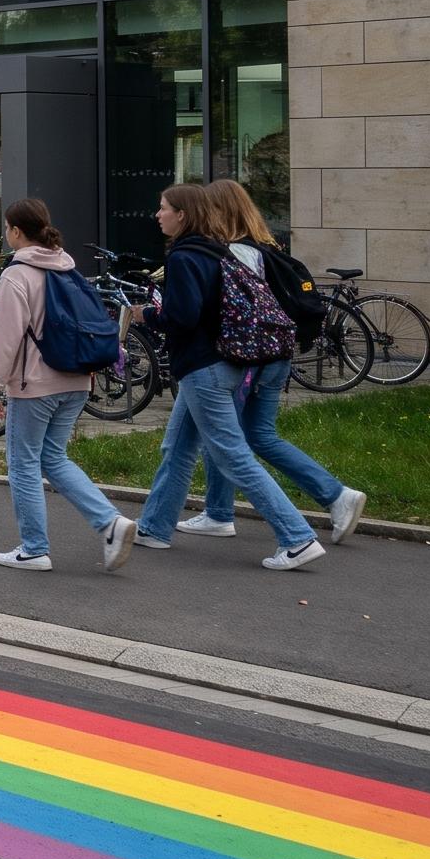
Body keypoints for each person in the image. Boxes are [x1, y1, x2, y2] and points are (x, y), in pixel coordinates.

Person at [132, 184, 325, 570]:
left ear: (182, 214)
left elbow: (182, 317)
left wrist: (146, 316)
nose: (158, 214)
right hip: (224, 363)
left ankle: (298, 537)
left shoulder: (185, 257)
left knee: (233, 455)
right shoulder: (219, 251)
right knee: (178, 447)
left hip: (205, 369)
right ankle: (154, 528)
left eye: (163, 207)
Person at [186, 180, 368, 546]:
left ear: (218, 211)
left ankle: (224, 514)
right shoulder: (267, 247)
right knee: (257, 436)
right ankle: (335, 496)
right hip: (277, 355)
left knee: (225, 439)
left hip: (246, 358)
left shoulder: (232, 253)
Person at [0, 198, 137, 572]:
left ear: (16, 232)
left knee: (22, 463)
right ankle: (110, 523)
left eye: (7, 228)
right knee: (53, 457)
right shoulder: (68, 268)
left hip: (35, 384)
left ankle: (34, 549)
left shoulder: (16, 275)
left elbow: (5, 337)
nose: (6, 234)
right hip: (78, 379)